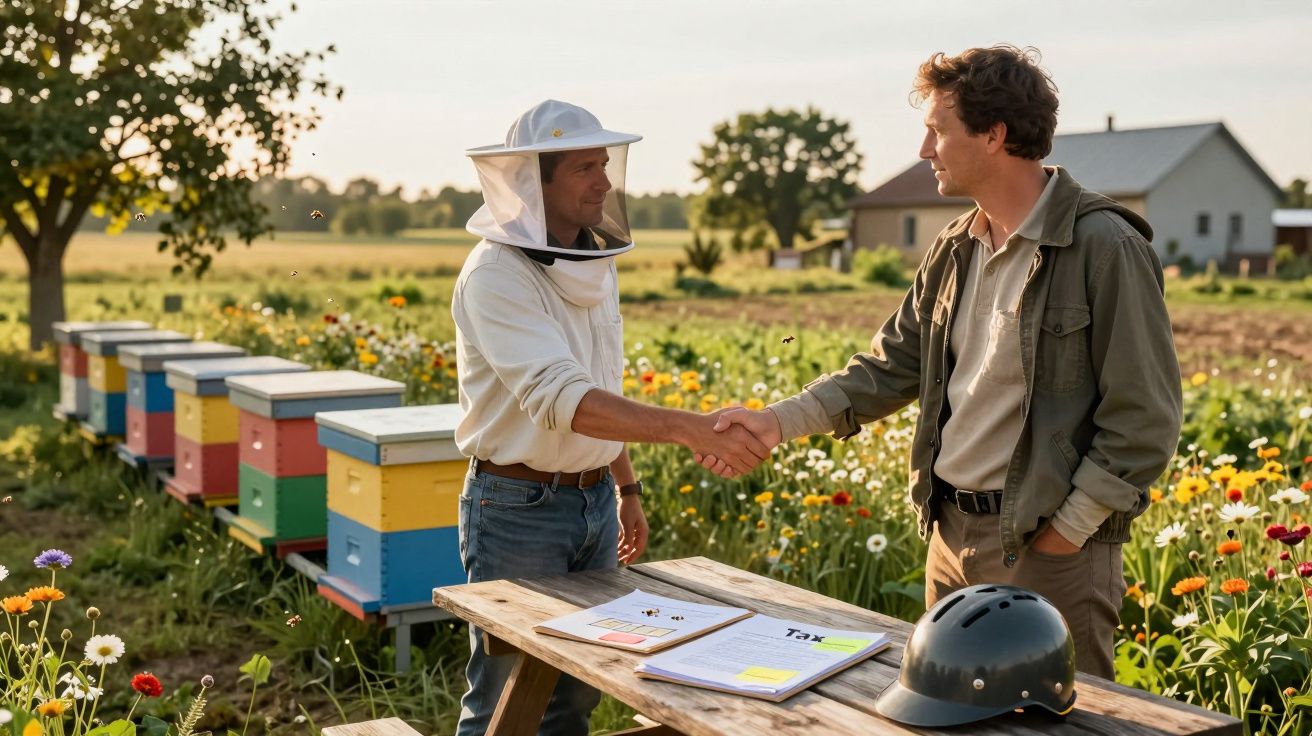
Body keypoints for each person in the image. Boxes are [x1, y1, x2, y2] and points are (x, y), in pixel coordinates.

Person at [699, 46, 1182, 677]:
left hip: (1049, 550)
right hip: (948, 537)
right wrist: (775, 422)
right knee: (947, 714)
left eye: (937, 130)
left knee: (1060, 724)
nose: (926, 149)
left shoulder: (1104, 246)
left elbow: (1145, 419)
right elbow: (889, 365)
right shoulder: (955, 245)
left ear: (994, 134)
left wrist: (1066, 535)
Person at [451, 99, 768, 735]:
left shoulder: (593, 262)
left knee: (577, 691)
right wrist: (689, 427)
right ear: (534, 182)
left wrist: (625, 488)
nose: (604, 181)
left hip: (592, 503)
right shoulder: (496, 275)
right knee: (506, 699)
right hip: (516, 509)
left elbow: (599, 390)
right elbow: (564, 398)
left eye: (604, 164)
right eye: (583, 169)